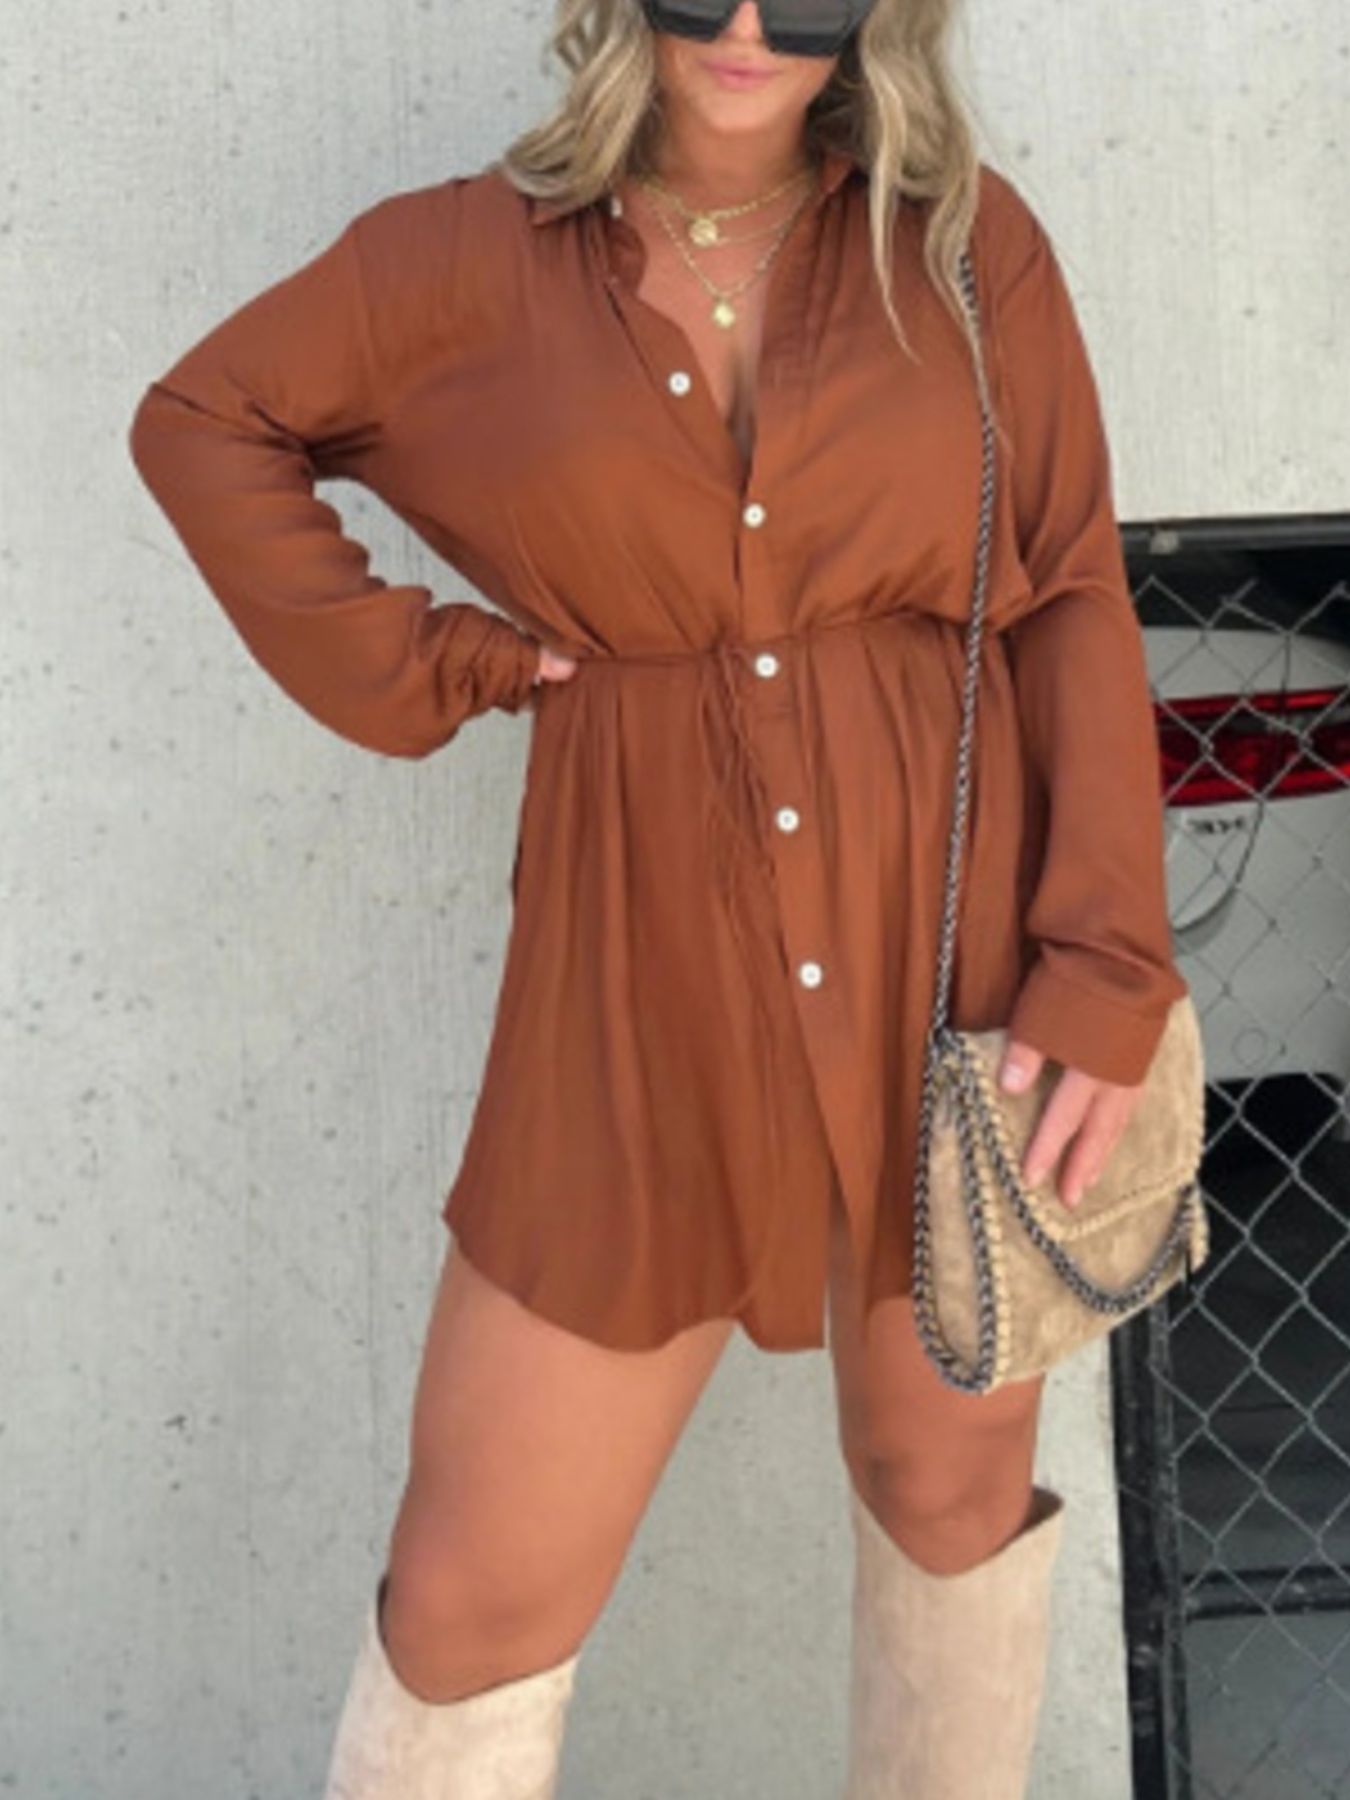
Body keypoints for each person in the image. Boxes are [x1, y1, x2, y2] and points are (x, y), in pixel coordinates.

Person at [127, 0, 1189, 1793]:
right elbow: (201, 422)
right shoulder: (459, 263)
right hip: (639, 966)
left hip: (950, 954)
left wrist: (1103, 962)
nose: (752, 25)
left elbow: (1067, 585)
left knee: (945, 1490)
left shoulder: (959, 242)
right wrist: (439, 660)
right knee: (472, 1592)